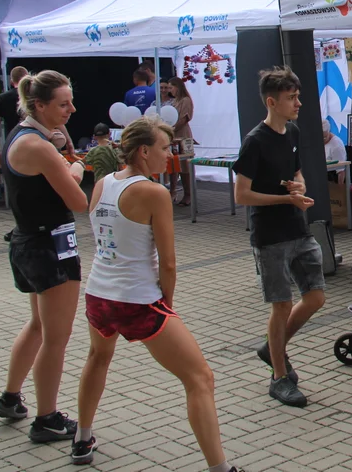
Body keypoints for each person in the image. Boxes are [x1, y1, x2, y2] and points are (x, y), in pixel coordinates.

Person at [72, 117, 244, 471]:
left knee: (97, 358)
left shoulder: (102, 184)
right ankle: (220, 468)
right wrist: (166, 303)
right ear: (144, 151)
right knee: (201, 378)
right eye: (165, 148)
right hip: (138, 299)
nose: (170, 155)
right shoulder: (154, 192)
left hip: (98, 295)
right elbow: (168, 262)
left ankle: (82, 437)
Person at [0, 70, 88, 442]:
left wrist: (60, 149)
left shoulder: (24, 134)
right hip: (49, 247)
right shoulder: (38, 146)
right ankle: (46, 417)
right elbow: (77, 201)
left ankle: (11, 397)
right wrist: (78, 165)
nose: (71, 109)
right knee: (55, 337)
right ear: (40, 105)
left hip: (29, 242)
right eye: (63, 104)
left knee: (37, 327)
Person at [232, 67, 326, 408]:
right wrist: (286, 198)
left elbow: (296, 172)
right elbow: (241, 195)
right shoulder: (254, 141)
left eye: (298, 96)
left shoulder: (293, 132)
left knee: (315, 298)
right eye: (292, 98)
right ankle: (279, 376)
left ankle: (272, 348)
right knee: (281, 304)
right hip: (270, 235)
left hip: (298, 229)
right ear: (272, 102)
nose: (298, 103)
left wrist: (298, 186)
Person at [0, 66, 28, 169]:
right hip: (35, 142)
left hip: (12, 143)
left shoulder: (2, 98)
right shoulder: (35, 96)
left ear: (11, 82)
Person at [167, 77, 195, 207]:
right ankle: (173, 191)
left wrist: (172, 128)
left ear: (177, 87)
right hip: (172, 135)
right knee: (173, 164)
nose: (169, 90)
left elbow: (184, 118)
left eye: (171, 87)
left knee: (184, 166)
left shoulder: (185, 100)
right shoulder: (173, 102)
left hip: (182, 134)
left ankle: (188, 194)